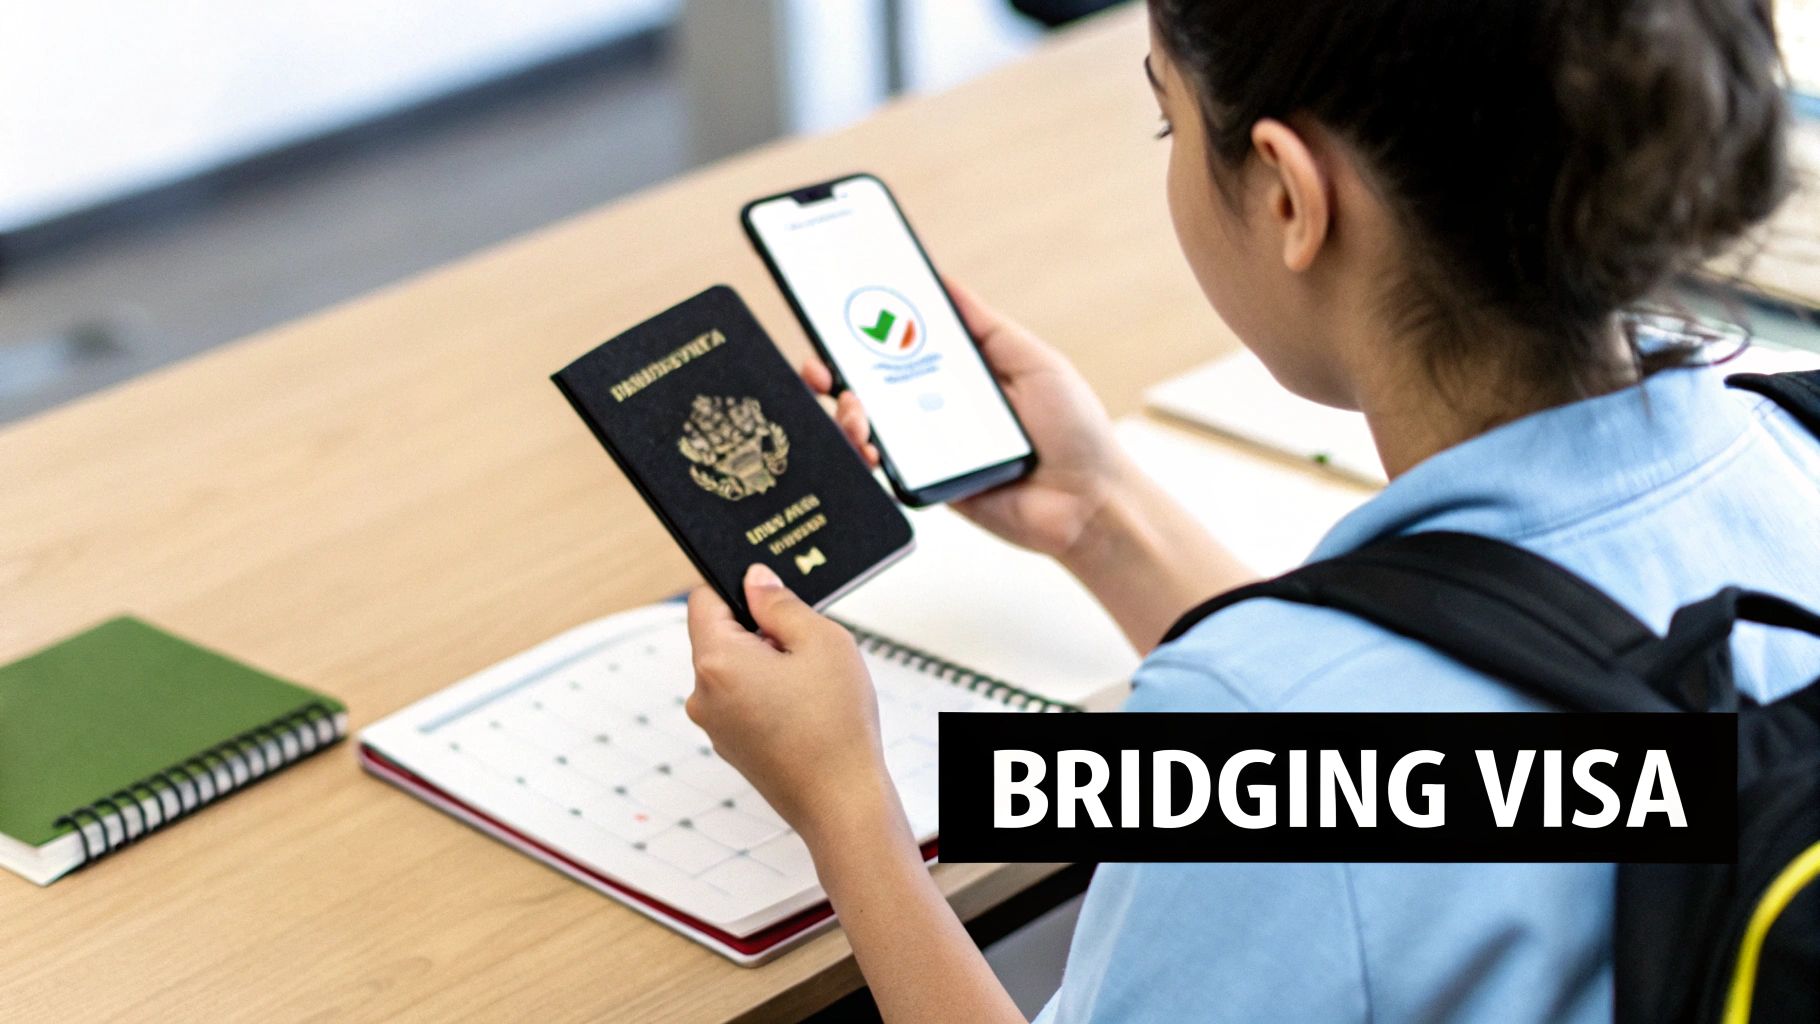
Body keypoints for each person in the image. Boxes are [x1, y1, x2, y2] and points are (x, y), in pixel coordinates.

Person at [683, 1, 1816, 1020]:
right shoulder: (1796, 446)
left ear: (1286, 193)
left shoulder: (1263, 711)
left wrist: (844, 806)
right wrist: (1100, 513)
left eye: (1167, 122)